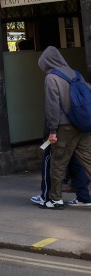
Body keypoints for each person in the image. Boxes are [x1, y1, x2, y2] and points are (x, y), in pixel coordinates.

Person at [37, 46, 91, 209]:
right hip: (82, 124)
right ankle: (83, 198)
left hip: (64, 127)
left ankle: (55, 199)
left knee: (58, 162)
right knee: (88, 160)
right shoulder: (76, 74)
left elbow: (52, 106)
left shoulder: (51, 78)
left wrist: (52, 131)